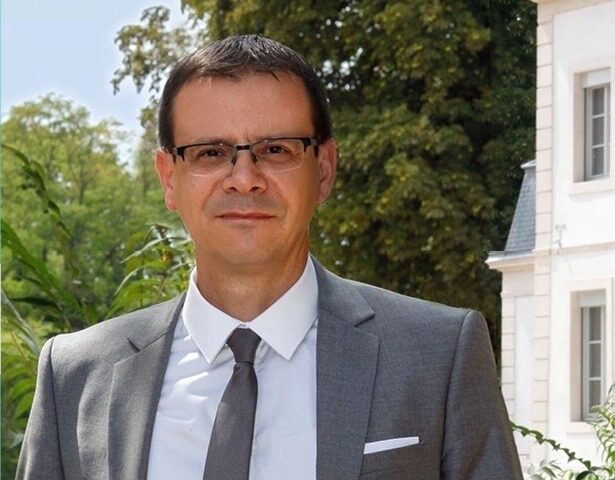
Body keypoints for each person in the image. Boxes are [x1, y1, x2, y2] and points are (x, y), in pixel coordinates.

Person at [17, 35, 523, 480]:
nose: (244, 178)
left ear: (323, 170)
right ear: (169, 178)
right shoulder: (75, 376)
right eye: (210, 152)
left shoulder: (439, 355)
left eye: (276, 150)